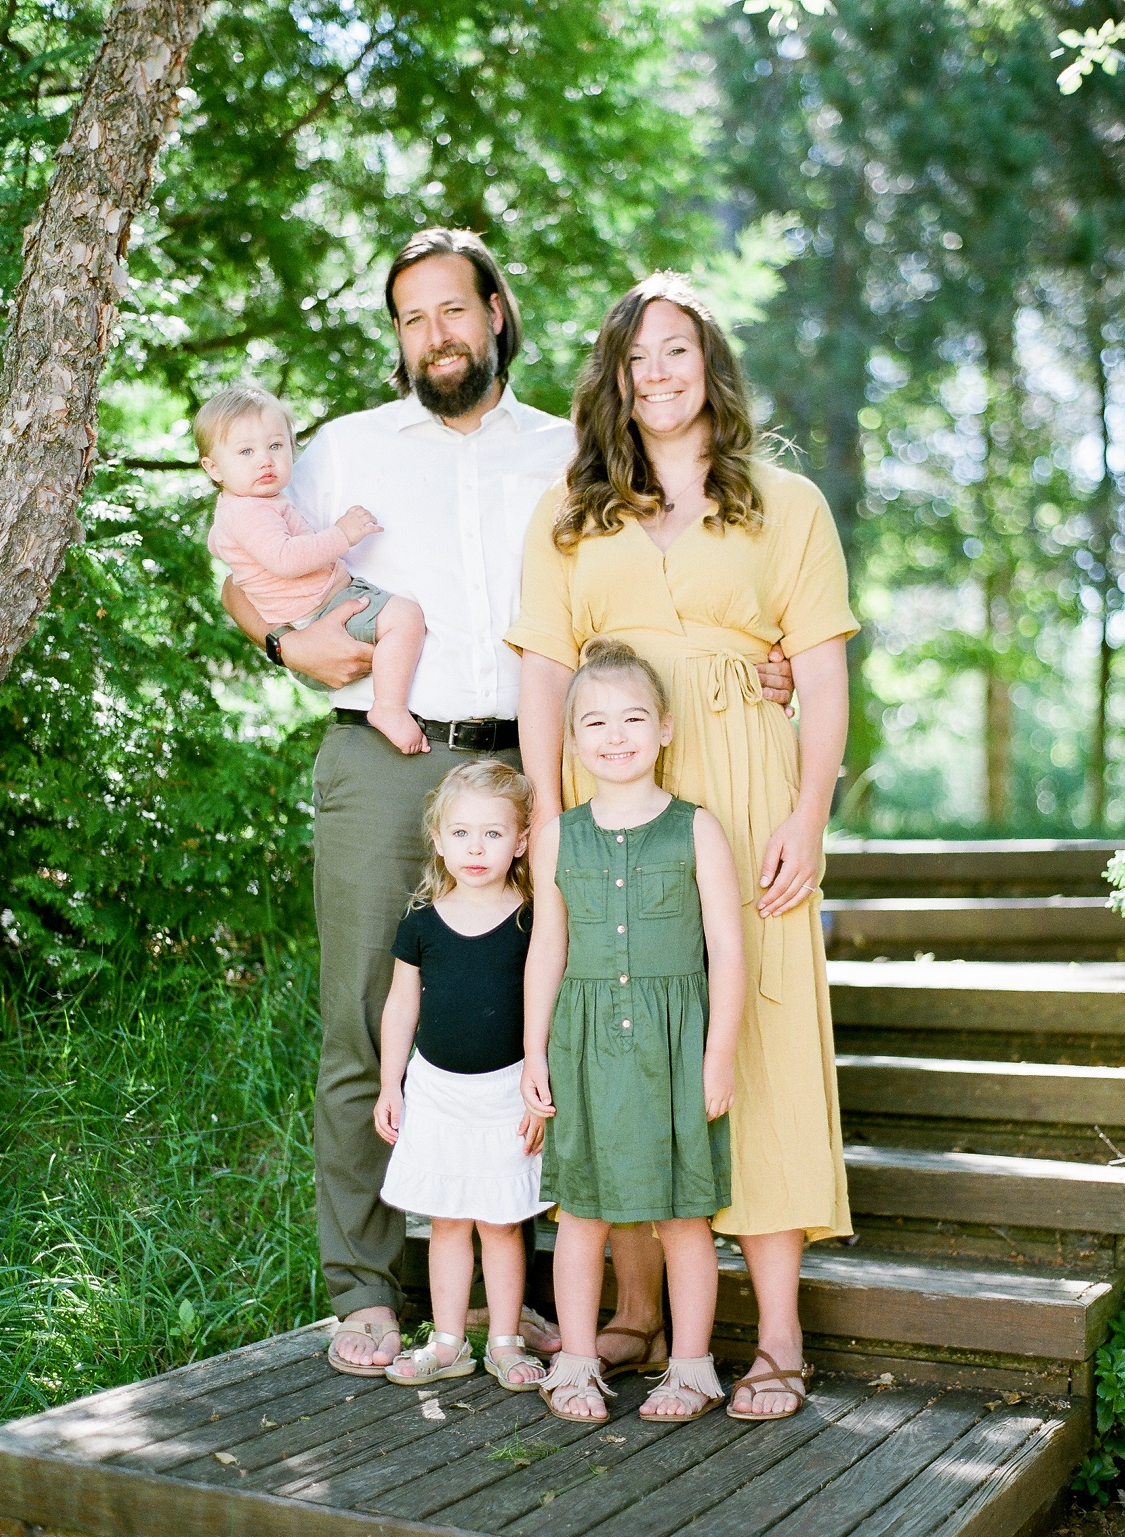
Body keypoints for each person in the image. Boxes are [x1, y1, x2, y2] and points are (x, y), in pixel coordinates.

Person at [219, 229, 795, 1375]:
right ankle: (365, 1289)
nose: (432, 335)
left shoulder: (568, 448)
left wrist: (761, 658)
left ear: (494, 312)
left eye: (451, 309)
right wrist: (285, 639)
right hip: (386, 760)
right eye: (410, 317)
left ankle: (518, 1287)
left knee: (549, 1017)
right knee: (371, 1012)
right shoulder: (340, 450)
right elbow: (243, 563)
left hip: (544, 766)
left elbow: (652, 585)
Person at [508, 271, 856, 1421]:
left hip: (749, 791)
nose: (657, 375)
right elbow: (547, 672)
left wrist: (808, 813)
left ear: (710, 366)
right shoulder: (570, 515)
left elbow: (819, 671)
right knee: (621, 1029)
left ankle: (779, 1339)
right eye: (635, 357)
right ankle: (639, 1311)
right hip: (605, 797)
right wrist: (540, 817)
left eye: (677, 352)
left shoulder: (786, 505)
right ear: (610, 378)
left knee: (758, 1044)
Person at [523, 639, 744, 1424]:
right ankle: (577, 1362)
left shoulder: (695, 829)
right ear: (571, 740)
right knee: (582, 1211)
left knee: (683, 1212)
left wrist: (717, 1054)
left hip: (676, 1047)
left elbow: (726, 946)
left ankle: (690, 1366)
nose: (613, 735)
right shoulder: (557, 835)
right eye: (593, 722)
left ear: (665, 729)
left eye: (631, 718)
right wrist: (532, 1051)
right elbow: (547, 944)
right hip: (583, 1044)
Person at [370, 761, 549, 1390]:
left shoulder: (534, 921)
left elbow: (545, 1006)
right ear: (439, 839)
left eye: (494, 835)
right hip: (437, 1090)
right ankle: (448, 1343)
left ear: (521, 841)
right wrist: (391, 1084)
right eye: (462, 834)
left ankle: (503, 1341)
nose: (477, 848)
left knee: (501, 1221)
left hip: (508, 1091)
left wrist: (540, 1084)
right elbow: (401, 1007)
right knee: (448, 1220)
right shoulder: (421, 923)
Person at [200, 386, 428, 754]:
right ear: (213, 467)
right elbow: (285, 559)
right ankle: (388, 708)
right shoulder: (249, 511)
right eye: (246, 451)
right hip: (322, 610)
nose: (265, 460)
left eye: (276, 446)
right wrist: (342, 535)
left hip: (318, 607)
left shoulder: (236, 509)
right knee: (405, 617)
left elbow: (222, 547)